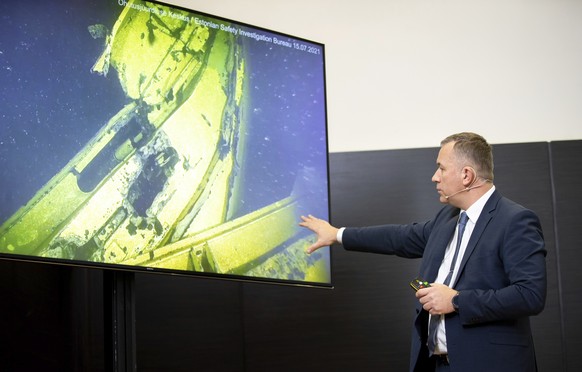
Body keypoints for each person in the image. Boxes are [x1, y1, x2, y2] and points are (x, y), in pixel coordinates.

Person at [299, 132, 546, 372]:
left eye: (441, 168)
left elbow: (529, 295)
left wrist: (456, 301)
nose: (435, 177)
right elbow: (399, 237)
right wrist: (338, 234)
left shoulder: (515, 220)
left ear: (467, 175)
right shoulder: (447, 219)